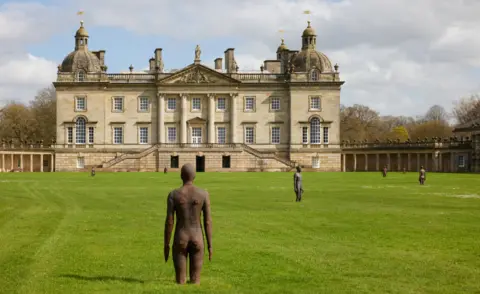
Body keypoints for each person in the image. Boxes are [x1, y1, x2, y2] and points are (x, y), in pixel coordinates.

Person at [164, 163, 213, 285]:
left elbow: (170, 222)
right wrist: (210, 245)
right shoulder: (203, 194)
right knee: (196, 281)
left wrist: (166, 244)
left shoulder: (173, 195)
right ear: (194, 176)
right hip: (197, 237)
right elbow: (207, 221)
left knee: (180, 281)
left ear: (181, 176)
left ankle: (181, 283)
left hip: (181, 236)